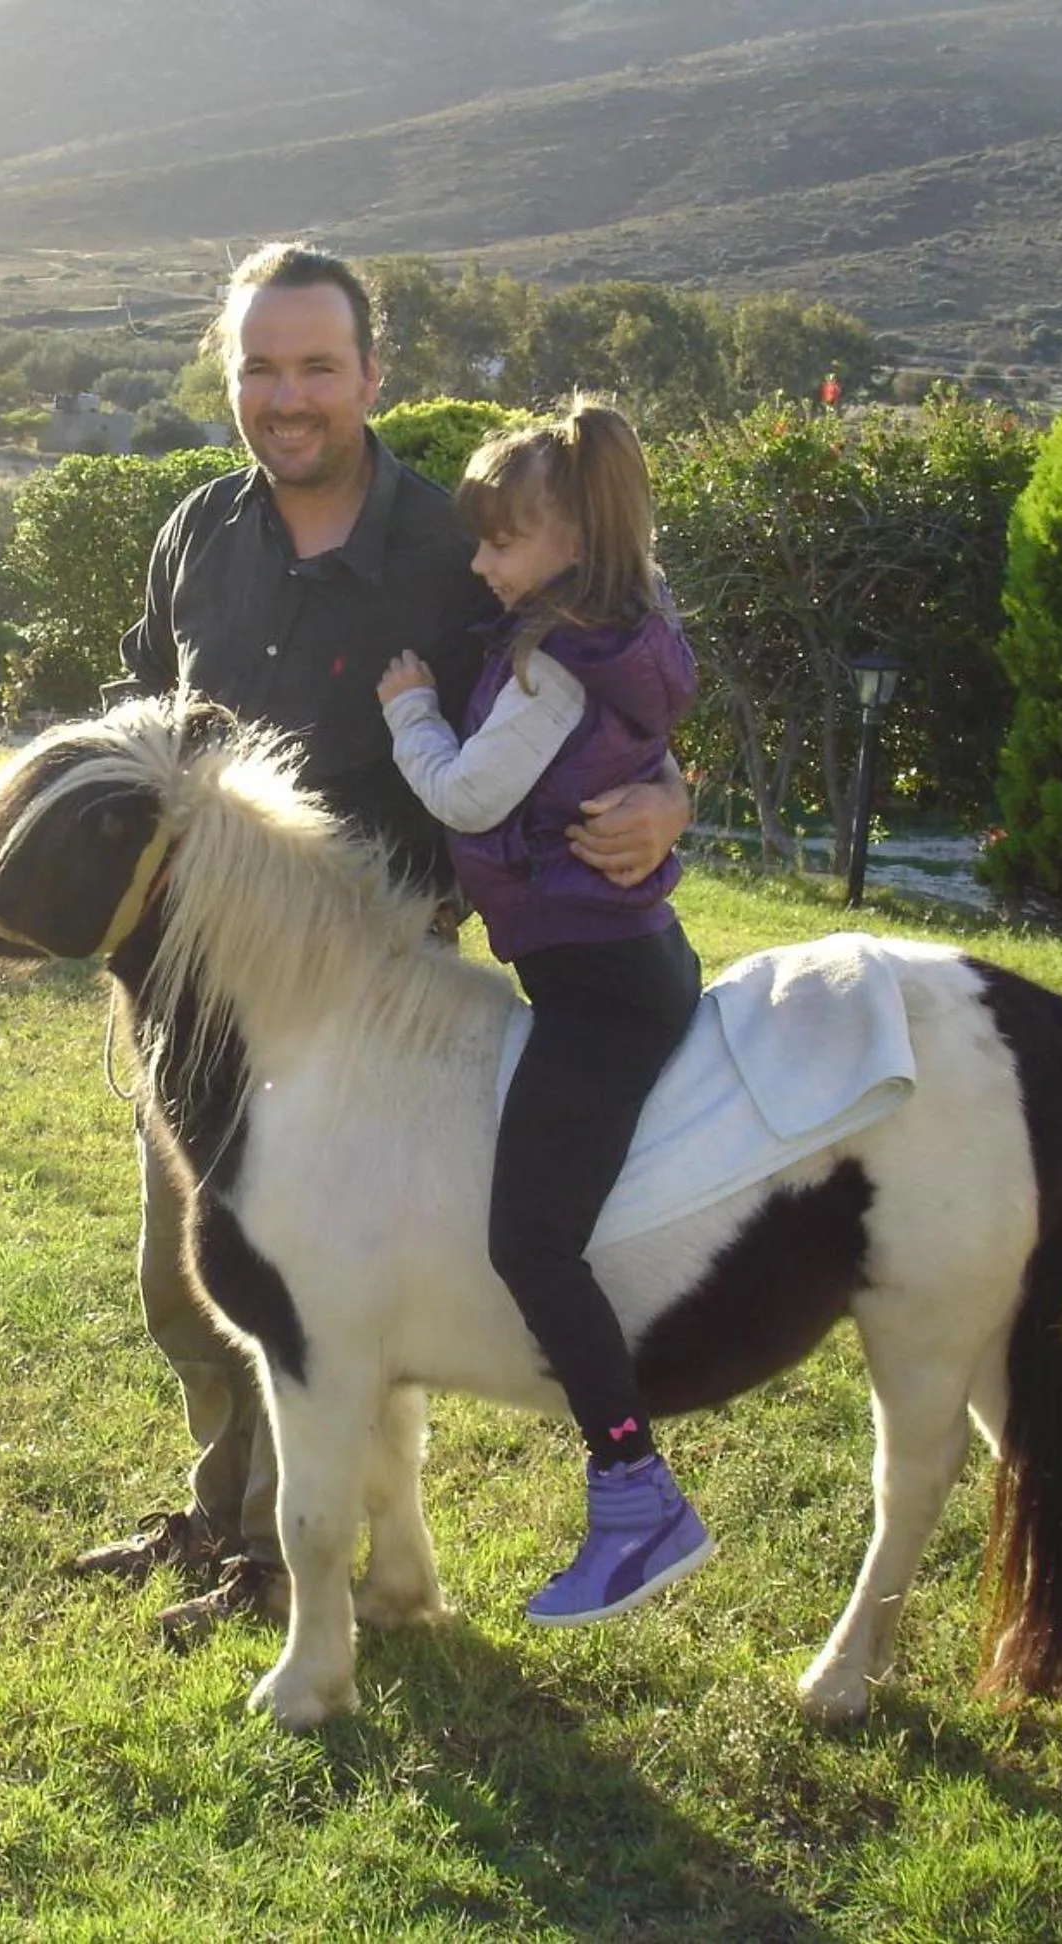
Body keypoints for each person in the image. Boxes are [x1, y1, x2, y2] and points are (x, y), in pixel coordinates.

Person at [74, 241, 691, 1641]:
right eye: (259, 368)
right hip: (194, 982)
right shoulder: (196, 536)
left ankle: (299, 1567)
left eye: (316, 368)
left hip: (376, 992)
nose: (287, 398)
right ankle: (225, 1514)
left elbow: (608, 688)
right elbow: (140, 717)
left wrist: (671, 799)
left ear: (370, 373)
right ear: (227, 373)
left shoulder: (452, 550)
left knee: (332, 1296)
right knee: (193, 1277)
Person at [375, 400, 711, 1625]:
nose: (480, 561)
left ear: (568, 535)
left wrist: (410, 707)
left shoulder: (553, 668)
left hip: (600, 991)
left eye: (502, 542)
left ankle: (635, 1488)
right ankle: (631, 1483)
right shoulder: (626, 619)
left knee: (530, 1240)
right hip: (631, 960)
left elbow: (467, 799)